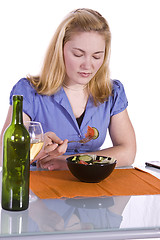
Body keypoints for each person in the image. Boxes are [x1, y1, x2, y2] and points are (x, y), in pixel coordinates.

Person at [0, 8, 136, 170]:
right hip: (41, 188)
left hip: (93, 187)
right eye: (78, 54)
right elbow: (5, 156)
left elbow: (128, 152)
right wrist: (36, 151)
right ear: (60, 50)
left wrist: (69, 161)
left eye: (97, 56)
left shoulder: (113, 92)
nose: (88, 65)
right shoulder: (29, 92)